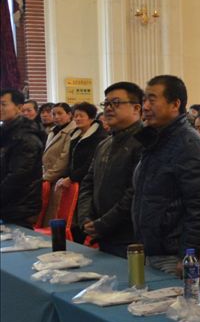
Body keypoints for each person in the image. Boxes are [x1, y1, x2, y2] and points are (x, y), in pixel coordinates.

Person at [131, 75, 200, 273]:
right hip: (152, 250)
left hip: (174, 256)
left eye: (152, 100)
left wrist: (188, 256)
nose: (145, 107)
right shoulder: (156, 139)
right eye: (144, 100)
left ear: (175, 104)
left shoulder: (189, 144)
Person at [78, 83, 145, 256]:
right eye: (106, 103)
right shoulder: (104, 144)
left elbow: (135, 192)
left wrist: (104, 223)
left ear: (136, 108)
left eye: (115, 103)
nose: (108, 108)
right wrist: (86, 218)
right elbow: (88, 183)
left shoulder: (144, 142)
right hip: (103, 234)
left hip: (129, 236)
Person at [1, 88, 45, 226]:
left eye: (3, 104)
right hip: (7, 204)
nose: (0, 108)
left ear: (19, 108)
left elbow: (18, 176)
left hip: (20, 206)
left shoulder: (27, 137)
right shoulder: (6, 132)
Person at [61, 102, 102, 190]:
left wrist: (72, 178)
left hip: (88, 182)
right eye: (75, 116)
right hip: (73, 180)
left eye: (81, 116)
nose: (78, 119)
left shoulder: (98, 136)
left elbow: (91, 163)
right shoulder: (75, 135)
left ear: (91, 118)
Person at [41, 102, 78, 185]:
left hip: (61, 179)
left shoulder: (72, 131)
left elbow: (64, 159)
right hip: (48, 175)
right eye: (54, 114)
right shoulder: (53, 131)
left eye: (60, 113)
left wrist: (47, 176)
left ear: (69, 114)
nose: (56, 117)